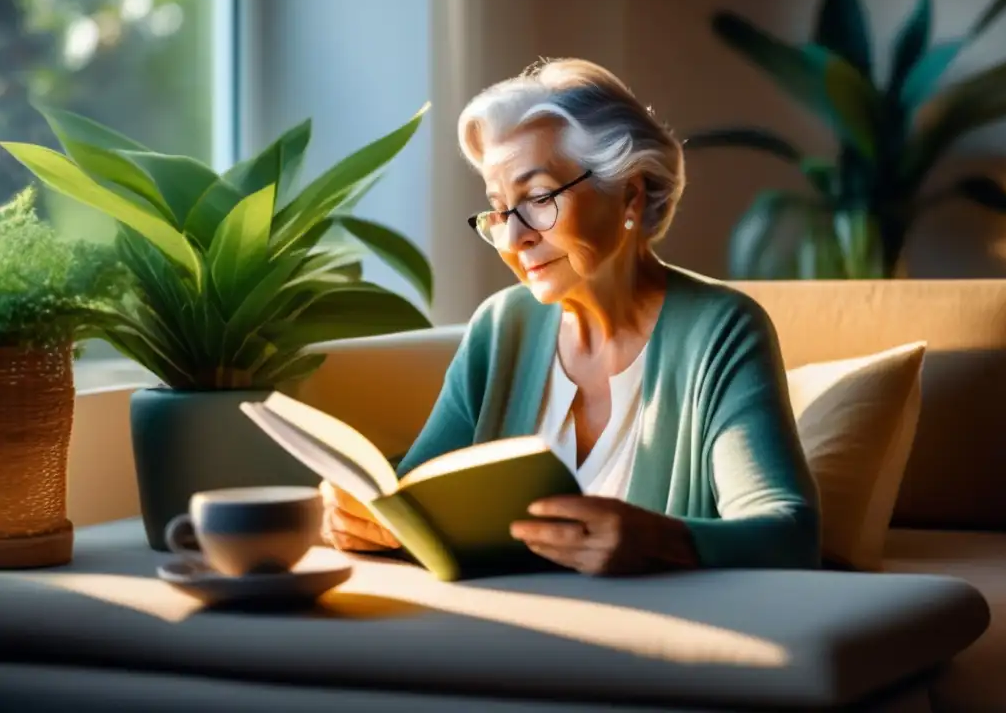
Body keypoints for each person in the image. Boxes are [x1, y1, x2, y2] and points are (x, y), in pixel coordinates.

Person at [321, 58, 821, 576]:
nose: (514, 239)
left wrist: (660, 542)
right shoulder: (500, 327)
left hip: (651, 641)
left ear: (629, 191)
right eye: (499, 209)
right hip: (505, 636)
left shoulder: (722, 331)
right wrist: (361, 519)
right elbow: (414, 494)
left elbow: (791, 533)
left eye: (538, 198)